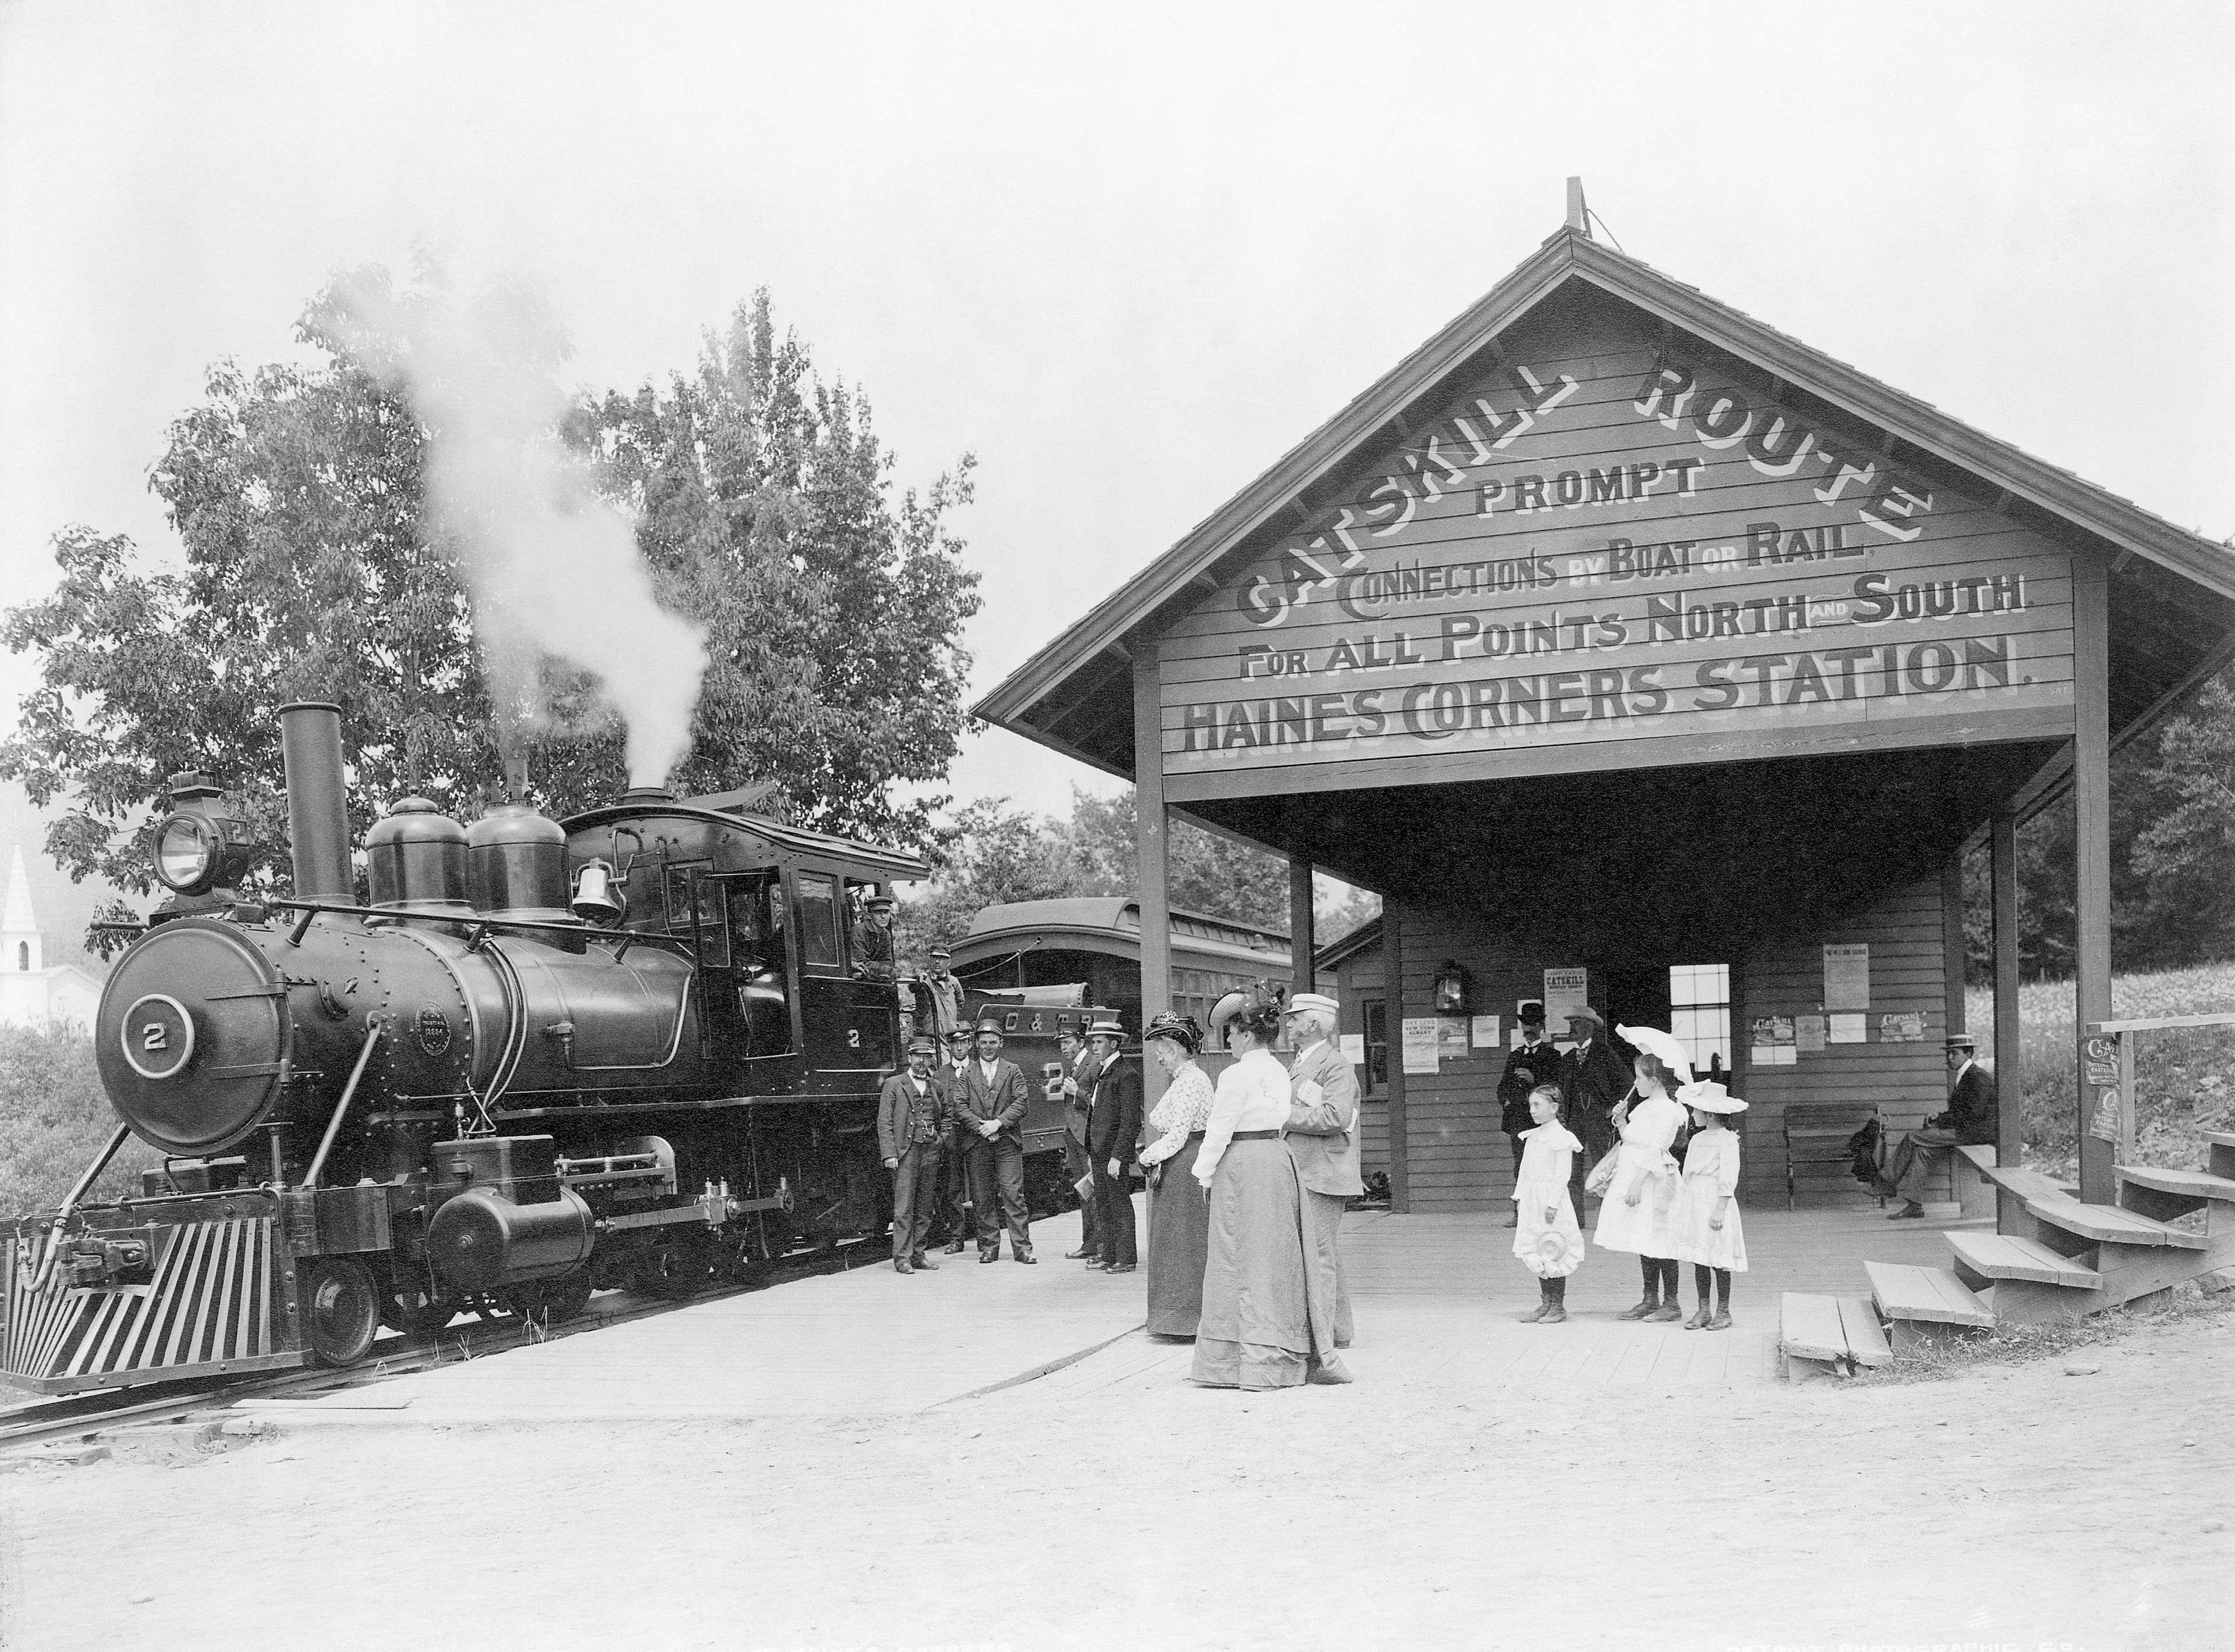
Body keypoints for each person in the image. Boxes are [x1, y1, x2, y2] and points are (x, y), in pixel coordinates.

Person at [1191, 986, 1350, 1390]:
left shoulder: (1234, 1074)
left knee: (1235, 1258)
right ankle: (1279, 1355)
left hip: (1242, 1163)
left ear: (1245, 1034)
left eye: (1230, 1032)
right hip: (1278, 1160)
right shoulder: (1280, 1069)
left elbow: (1219, 1129)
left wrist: (1204, 1172)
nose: (1227, 1040)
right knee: (1276, 1258)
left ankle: (1233, 1360)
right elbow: (1282, 1115)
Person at [1281, 990, 1361, 1348]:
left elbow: (1335, 1116)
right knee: (1322, 1252)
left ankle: (1323, 1339)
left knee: (1319, 1255)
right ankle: (1337, 1332)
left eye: (1294, 1017)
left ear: (1313, 1024)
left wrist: (1281, 1115)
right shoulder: (1300, 1062)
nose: (1288, 1022)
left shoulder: (1335, 1064)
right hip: (1308, 1170)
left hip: (1324, 1173)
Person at [1592, 1045, 1686, 1323]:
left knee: (1661, 1237)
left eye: (1639, 1078)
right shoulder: (1645, 1107)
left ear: (1654, 1081)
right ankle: (1649, 1298)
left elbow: (1655, 1148)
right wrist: (1621, 1121)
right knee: (1644, 1237)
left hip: (1652, 1179)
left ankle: (1671, 1302)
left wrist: (1636, 1183)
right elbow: (1632, 1140)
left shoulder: (1668, 1110)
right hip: (1635, 1173)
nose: (1635, 1083)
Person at [1137, 1011, 1215, 1337]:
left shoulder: (1191, 1082)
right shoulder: (1185, 1080)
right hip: (1181, 1163)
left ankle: (1184, 1320)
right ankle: (1174, 1318)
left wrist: (1146, 1156)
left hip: (1185, 1164)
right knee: (1175, 1238)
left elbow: (1178, 1133)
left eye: (1161, 1049)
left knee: (1182, 1239)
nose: (1158, 1057)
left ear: (1177, 1049)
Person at [1878, 1034, 2000, 1218]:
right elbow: (1963, 1112)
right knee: (1922, 1151)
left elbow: (1974, 1114)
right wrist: (1939, 1118)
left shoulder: (1978, 1077)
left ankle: (1886, 1183)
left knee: (1913, 1136)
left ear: (1968, 1054)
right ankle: (1915, 1206)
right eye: (1948, 1054)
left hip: (1976, 1134)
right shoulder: (1965, 1075)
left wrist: (1941, 1122)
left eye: (1954, 1053)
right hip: (1966, 1131)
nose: (1949, 1058)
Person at [953, 1017, 1035, 1263]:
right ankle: (989, 1246)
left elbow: (1022, 1103)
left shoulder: (1013, 1071)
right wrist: (982, 1128)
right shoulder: (967, 1074)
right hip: (978, 1144)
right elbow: (959, 1105)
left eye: (993, 1042)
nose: (988, 1046)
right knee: (982, 1197)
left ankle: (1023, 1249)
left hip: (1007, 1143)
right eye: (984, 1042)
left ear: (1001, 1043)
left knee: (1013, 1195)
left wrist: (998, 1124)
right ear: (977, 1044)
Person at [1670, 1078, 1748, 1329]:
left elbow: (1728, 1176)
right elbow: (1688, 1173)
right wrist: (1684, 1203)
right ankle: (1704, 1309)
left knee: (1717, 1256)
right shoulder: (1696, 1140)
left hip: (1715, 1200)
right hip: (1696, 1199)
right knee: (1699, 1256)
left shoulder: (1727, 1140)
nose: (1693, 1114)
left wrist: (1720, 1209)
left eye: (1696, 1110)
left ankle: (1723, 1311)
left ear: (1711, 1114)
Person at [1512, 1083, 1583, 1324]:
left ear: (1554, 1108)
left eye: (1537, 1105)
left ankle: (1559, 1305)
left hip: (1551, 1200)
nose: (1532, 1110)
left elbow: (1563, 1175)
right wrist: (1520, 1198)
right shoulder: (1533, 1137)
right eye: (1531, 1105)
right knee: (1537, 1246)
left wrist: (1552, 1203)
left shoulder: (1562, 1138)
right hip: (1533, 1198)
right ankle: (1546, 1301)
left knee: (1554, 1246)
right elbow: (1524, 1171)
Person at [877, 1033, 949, 1274]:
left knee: (925, 1206)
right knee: (904, 1207)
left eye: (926, 1057)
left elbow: (947, 1116)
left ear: (931, 1060)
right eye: (917, 1056)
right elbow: (884, 1122)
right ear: (909, 1058)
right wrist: (889, 1153)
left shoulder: (935, 1086)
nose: (921, 1061)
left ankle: (919, 1254)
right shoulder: (894, 1084)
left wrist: (941, 1139)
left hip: (930, 1150)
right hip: (906, 1152)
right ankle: (902, 1259)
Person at [1558, 1006, 1634, 1220]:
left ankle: (1610, 1218)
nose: (1572, 1029)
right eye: (1571, 1024)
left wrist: (1613, 1108)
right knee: (1573, 1171)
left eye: (1577, 1024)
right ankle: (1576, 1219)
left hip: (1599, 1122)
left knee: (1604, 1168)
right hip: (1574, 1123)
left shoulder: (1606, 1054)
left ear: (1589, 1028)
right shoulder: (1568, 1059)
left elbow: (1628, 1083)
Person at [1083, 1017, 1142, 1272]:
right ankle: (1109, 1254)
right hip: (1099, 1151)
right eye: (1093, 1042)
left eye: (1099, 1042)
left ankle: (1126, 1258)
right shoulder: (1102, 1072)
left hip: (1111, 1153)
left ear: (1114, 1044)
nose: (1094, 1047)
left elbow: (1130, 1121)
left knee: (1119, 1204)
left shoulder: (1125, 1074)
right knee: (1104, 1203)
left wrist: (1118, 1156)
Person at [1498, 1002, 1559, 1228]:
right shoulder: (1514, 1056)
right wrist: (1506, 1101)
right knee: (1521, 1167)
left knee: (1546, 1167)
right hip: (1519, 1121)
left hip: (1543, 1121)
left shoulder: (1552, 1056)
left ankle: (1547, 1213)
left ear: (1541, 1025)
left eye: (1533, 1024)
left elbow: (1556, 1088)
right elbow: (1502, 1086)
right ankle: (1521, 1214)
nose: (1529, 1028)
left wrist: (1535, 1081)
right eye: (1526, 1024)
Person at [1054, 1026, 1104, 1262]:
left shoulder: (1093, 1065)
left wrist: (1076, 1092)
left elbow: (1100, 1104)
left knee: (1091, 1190)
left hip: (1087, 1137)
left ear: (1081, 1042)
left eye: (1068, 1042)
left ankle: (1100, 1245)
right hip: (1075, 1136)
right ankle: (1091, 1243)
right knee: (1084, 1190)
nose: (1064, 1047)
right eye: (1061, 1043)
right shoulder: (1076, 1065)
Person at [934, 1027, 978, 1253]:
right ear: (949, 1046)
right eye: (955, 1044)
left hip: (975, 1137)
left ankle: (985, 1239)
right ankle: (956, 1238)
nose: (959, 1048)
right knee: (953, 1190)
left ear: (970, 1044)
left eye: (963, 1043)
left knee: (981, 1188)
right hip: (952, 1139)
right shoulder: (940, 1075)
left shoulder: (979, 1070)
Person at [921, 943, 966, 1041]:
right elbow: (915, 989)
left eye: (942, 958)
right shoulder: (924, 980)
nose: (937, 962)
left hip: (952, 1036)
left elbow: (960, 1003)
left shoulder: (954, 982)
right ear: (929, 960)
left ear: (948, 962)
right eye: (934, 958)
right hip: (932, 1037)